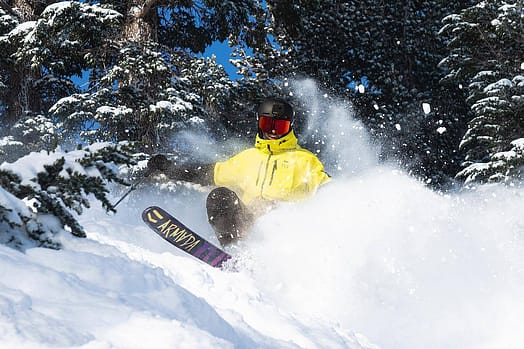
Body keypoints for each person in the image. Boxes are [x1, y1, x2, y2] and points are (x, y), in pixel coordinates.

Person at [147, 98, 331, 246]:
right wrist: (169, 168)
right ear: (260, 124)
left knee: (269, 206)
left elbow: (331, 193)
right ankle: (234, 249)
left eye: (280, 126)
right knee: (220, 196)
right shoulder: (247, 158)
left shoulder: (305, 160)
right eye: (268, 125)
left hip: (286, 229)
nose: (273, 132)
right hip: (248, 222)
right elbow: (208, 174)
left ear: (289, 127)